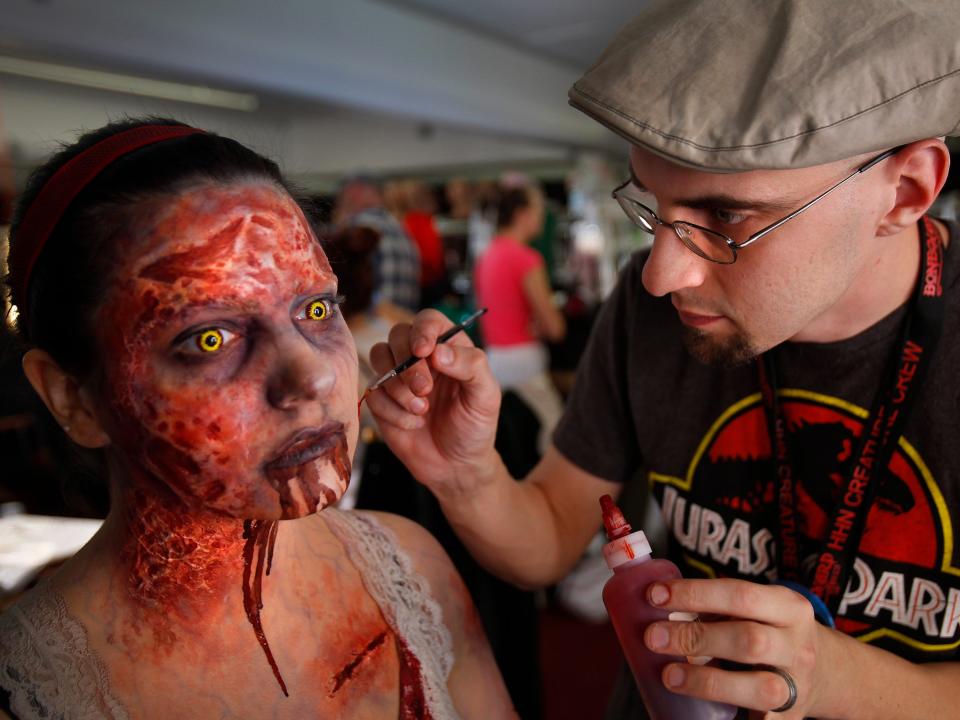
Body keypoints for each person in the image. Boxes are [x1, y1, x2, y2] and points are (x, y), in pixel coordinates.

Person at [364, 1, 960, 718]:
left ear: (906, 189)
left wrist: (835, 677)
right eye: (652, 207)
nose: (659, 275)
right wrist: (465, 476)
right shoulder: (651, 313)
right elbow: (551, 534)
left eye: (727, 217)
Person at [0, 118, 515, 719]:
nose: (313, 377)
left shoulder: (412, 570)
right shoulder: (32, 692)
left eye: (316, 307)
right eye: (211, 338)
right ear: (73, 400)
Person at [474, 184, 566, 453]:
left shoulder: (486, 255)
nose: (541, 217)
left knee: (503, 443)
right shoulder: (526, 259)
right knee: (557, 437)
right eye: (538, 210)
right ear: (522, 213)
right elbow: (555, 328)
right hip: (524, 360)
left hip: (495, 361)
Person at [334, 175, 421, 313]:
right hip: (401, 326)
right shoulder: (400, 228)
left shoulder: (358, 227)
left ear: (354, 192)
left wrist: (340, 224)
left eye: (341, 200)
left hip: (369, 327)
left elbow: (342, 284)